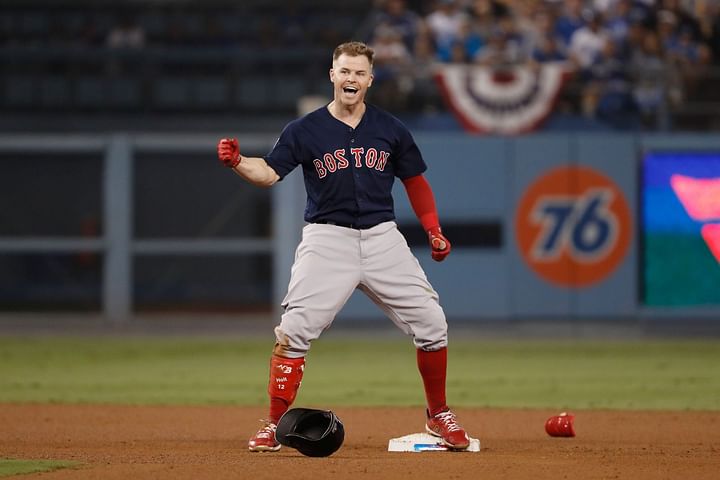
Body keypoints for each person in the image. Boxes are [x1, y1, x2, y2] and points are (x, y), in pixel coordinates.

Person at [216, 41, 471, 452]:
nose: (351, 78)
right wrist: (238, 162)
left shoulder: (390, 128)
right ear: (332, 75)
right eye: (344, 71)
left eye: (359, 73)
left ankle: (438, 414)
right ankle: (274, 423)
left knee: (432, 323)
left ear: (370, 80)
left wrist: (433, 229)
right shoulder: (304, 130)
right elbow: (268, 172)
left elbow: (416, 182)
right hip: (327, 238)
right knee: (295, 329)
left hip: (381, 237)